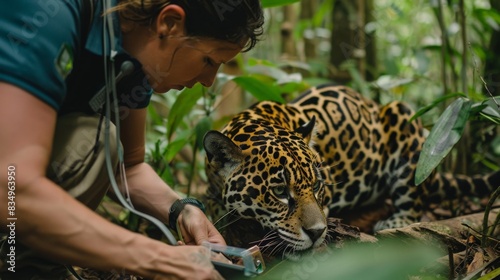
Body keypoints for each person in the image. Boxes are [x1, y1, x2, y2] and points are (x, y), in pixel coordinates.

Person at [0, 0, 264, 279]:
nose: (210, 80)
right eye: (209, 60)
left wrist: (182, 211)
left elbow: (130, 167)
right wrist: (156, 258)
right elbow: (12, 187)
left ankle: (26, 271)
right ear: (169, 23)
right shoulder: (51, 13)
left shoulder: (136, 60)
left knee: (98, 140)